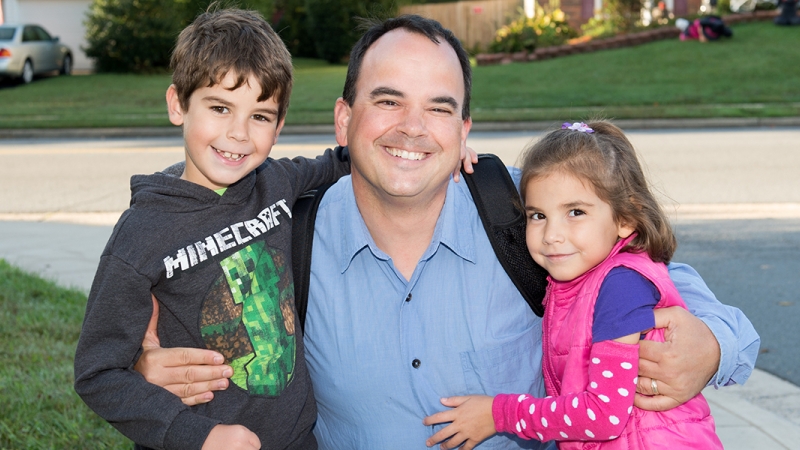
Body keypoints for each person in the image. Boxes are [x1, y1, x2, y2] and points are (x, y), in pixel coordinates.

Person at [134, 15, 760, 449]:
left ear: (464, 130)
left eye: (439, 107)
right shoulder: (284, 237)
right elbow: (213, 351)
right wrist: (156, 372)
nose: (413, 127)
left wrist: (710, 349)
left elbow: (669, 288)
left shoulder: (527, 211)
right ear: (344, 119)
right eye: (388, 101)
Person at [73, 8, 352, 450]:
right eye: (220, 108)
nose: (238, 134)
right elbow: (98, 374)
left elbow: (339, 162)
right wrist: (199, 437)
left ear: (278, 127)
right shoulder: (141, 234)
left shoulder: (276, 182)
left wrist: (436, 149)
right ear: (177, 104)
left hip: (298, 438)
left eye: (260, 116)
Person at [422, 121, 725, 449]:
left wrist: (499, 414)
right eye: (538, 215)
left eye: (575, 212)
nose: (552, 234)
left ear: (626, 219)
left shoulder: (620, 287)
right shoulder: (583, 279)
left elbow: (603, 414)